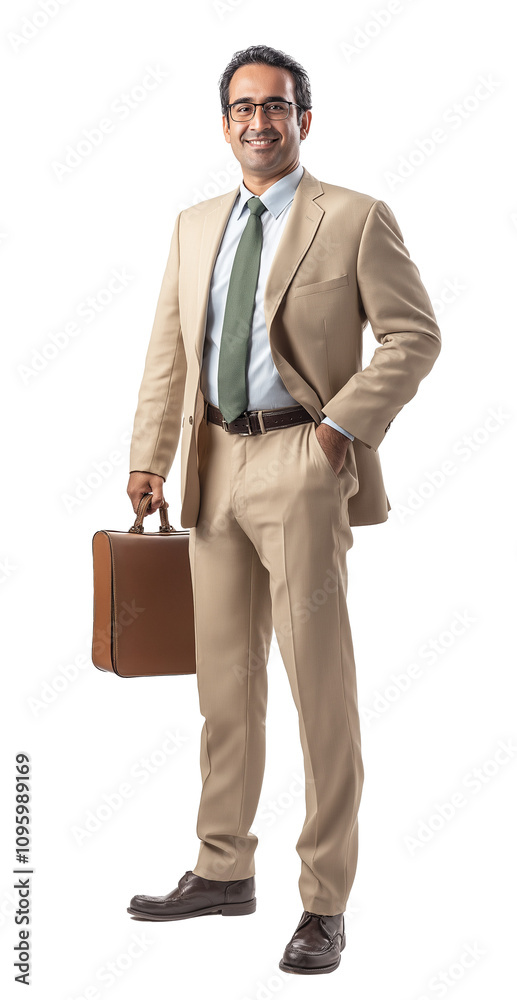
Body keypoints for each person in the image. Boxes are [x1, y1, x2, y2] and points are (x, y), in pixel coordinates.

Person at [125, 44, 441, 975]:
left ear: (305, 118)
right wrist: (149, 460)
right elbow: (167, 354)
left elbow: (414, 334)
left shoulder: (352, 217)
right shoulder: (191, 227)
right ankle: (223, 868)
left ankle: (324, 901)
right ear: (223, 122)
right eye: (241, 109)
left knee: (319, 691)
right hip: (212, 466)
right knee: (223, 687)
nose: (257, 123)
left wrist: (339, 433)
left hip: (301, 462)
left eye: (275, 107)